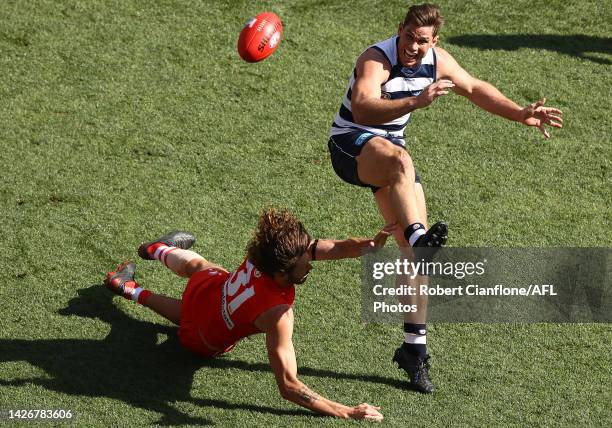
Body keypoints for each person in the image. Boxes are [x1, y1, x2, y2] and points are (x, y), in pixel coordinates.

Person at [327, 3, 563, 393]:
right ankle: (420, 236)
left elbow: (474, 88)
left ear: (434, 41)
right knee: (403, 166)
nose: (413, 47)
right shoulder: (376, 59)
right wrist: (417, 102)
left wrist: (519, 114)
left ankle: (414, 352)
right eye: (408, 37)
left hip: (390, 152)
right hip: (350, 145)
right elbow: (365, 106)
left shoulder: (438, 61)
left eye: (422, 41)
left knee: (411, 251)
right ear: (398, 29)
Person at [104, 208, 393, 421]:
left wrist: (367, 247)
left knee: (202, 268)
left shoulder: (265, 254)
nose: (311, 263)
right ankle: (129, 289)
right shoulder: (277, 314)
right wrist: (347, 411)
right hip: (201, 341)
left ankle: (156, 249)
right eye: (306, 262)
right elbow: (289, 386)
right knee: (191, 320)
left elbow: (329, 248)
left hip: (207, 289)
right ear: (282, 272)